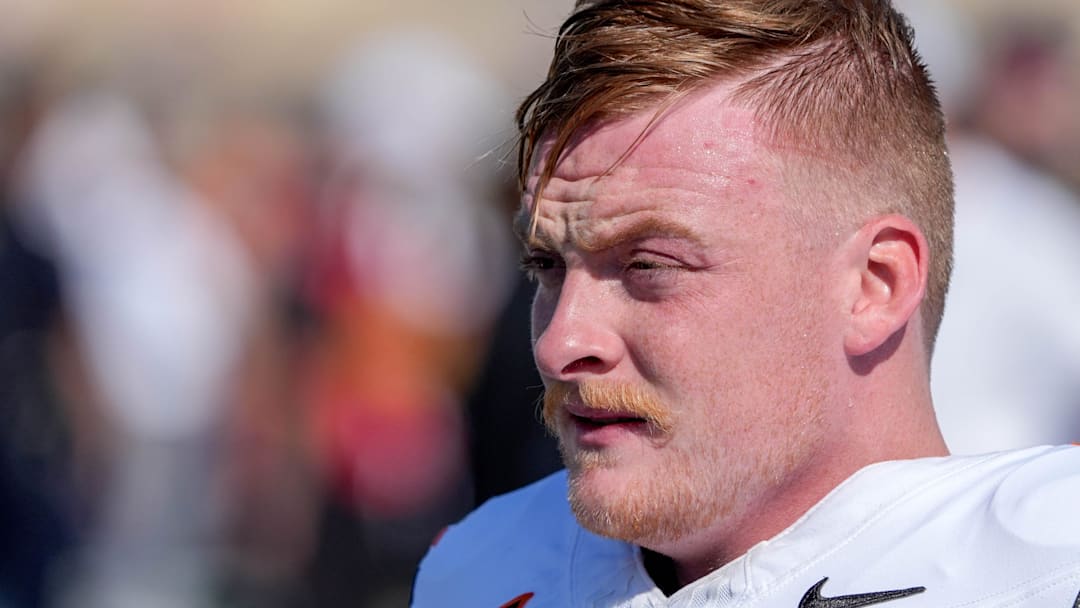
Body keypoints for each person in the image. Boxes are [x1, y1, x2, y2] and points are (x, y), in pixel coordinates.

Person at [412, 1, 1080, 606]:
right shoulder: (484, 570)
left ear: (874, 284)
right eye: (546, 265)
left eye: (649, 265)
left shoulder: (1048, 562)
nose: (562, 343)